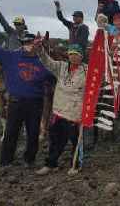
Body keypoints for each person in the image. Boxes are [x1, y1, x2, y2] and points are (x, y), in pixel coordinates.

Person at [0, 34, 55, 169]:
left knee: (33, 134)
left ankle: (29, 161)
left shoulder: (43, 62)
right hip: (16, 102)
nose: (28, 45)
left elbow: (54, 76)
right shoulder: (10, 57)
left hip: (36, 103)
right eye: (25, 42)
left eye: (31, 42)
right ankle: (5, 162)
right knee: (11, 133)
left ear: (37, 45)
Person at [35, 44, 87, 176]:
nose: (73, 56)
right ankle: (51, 164)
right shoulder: (61, 67)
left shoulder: (88, 71)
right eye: (71, 54)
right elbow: (48, 62)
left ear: (80, 56)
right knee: (55, 140)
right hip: (59, 112)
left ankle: (75, 165)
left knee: (76, 141)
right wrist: (40, 50)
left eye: (76, 54)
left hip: (75, 114)